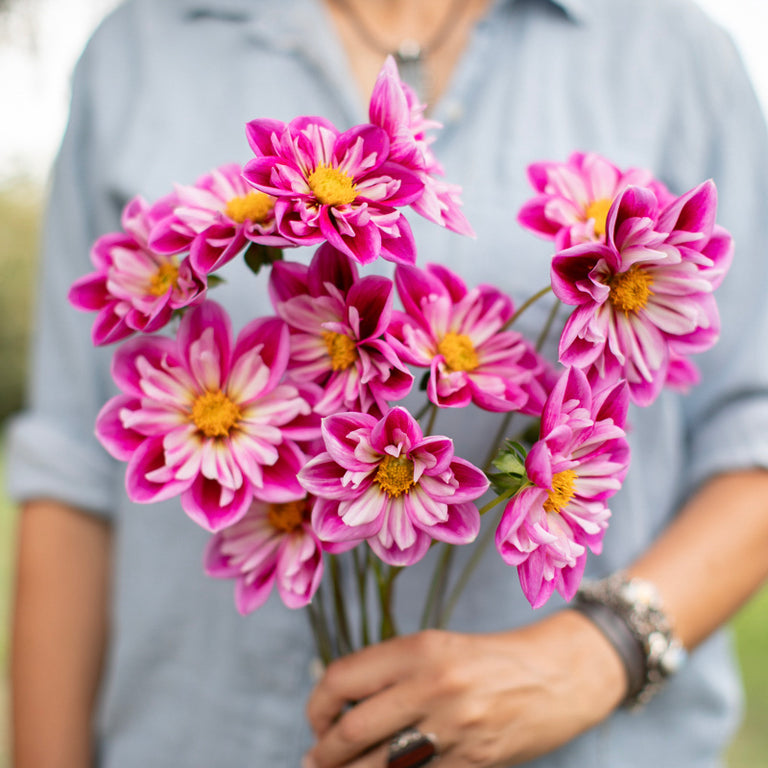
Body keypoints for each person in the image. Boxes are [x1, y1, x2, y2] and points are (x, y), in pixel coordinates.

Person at [8, 0, 768, 766]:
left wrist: (597, 651)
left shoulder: (676, 52)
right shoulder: (138, 44)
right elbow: (73, 470)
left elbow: (755, 433)